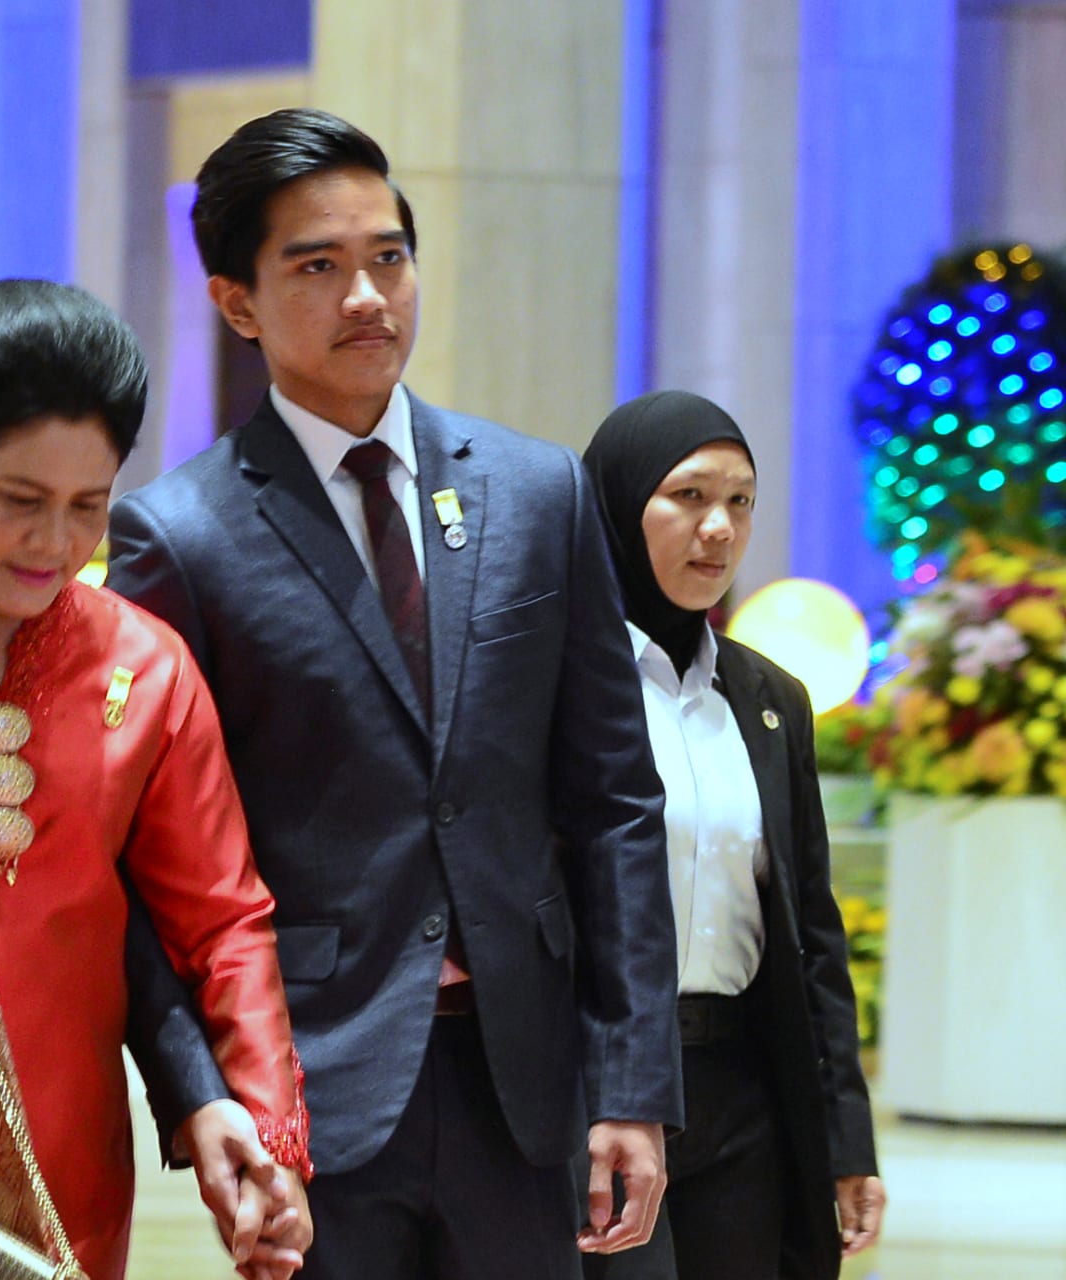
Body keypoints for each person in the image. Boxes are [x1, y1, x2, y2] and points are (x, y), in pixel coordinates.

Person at [108, 107, 684, 1279]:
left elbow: (615, 801)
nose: (368, 295)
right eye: (318, 267)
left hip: (526, 1084)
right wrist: (203, 1097)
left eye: (388, 256)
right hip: (311, 1086)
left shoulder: (540, 493)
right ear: (236, 301)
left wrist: (631, 1082)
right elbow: (147, 863)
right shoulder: (177, 533)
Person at [0, 278, 314, 1280]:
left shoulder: (148, 668)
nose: (55, 543)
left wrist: (264, 1130)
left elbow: (222, 921)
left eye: (89, 506)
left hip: (62, 1170)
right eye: (20, 502)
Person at [579, 390, 885, 1280]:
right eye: (689, 496)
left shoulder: (769, 699)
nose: (718, 528)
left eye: (740, 501)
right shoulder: (564, 683)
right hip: (602, 1090)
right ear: (619, 500)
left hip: (745, 1085)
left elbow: (811, 938)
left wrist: (845, 1138)